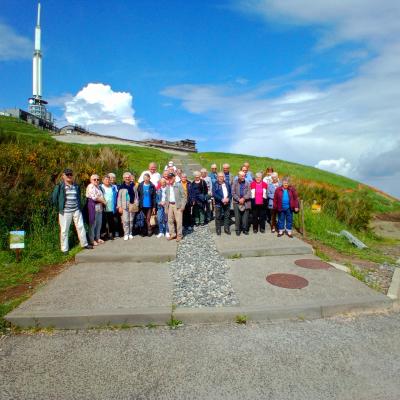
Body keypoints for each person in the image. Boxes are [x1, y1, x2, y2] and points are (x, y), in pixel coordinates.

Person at [52, 168, 93, 254]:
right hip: (65, 211)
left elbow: (78, 197)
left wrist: (79, 207)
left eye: (71, 174)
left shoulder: (76, 186)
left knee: (81, 227)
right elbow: (54, 199)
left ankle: (84, 244)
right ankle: (64, 249)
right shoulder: (59, 186)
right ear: (63, 176)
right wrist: (60, 208)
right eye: (67, 175)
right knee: (64, 230)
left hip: (76, 210)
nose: (69, 176)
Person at [86, 174, 107, 246]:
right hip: (93, 207)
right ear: (91, 180)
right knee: (93, 224)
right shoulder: (90, 186)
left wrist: (101, 200)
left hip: (99, 208)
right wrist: (103, 201)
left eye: (98, 179)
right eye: (94, 179)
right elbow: (94, 197)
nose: (96, 181)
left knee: (99, 223)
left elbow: (101, 196)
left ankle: (97, 238)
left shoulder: (98, 187)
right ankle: (92, 240)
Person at [165, 173, 186, 242]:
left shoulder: (179, 185)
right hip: (170, 205)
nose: (169, 179)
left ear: (174, 178)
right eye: (168, 178)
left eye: (171, 178)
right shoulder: (167, 186)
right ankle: (172, 234)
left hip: (177, 205)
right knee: (170, 220)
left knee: (179, 221)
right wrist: (166, 207)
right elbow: (166, 197)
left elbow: (184, 196)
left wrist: (182, 206)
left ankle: (179, 235)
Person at [117, 172, 138, 240]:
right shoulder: (121, 187)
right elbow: (119, 198)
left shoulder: (133, 186)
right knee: (125, 220)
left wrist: (136, 203)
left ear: (130, 178)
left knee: (131, 220)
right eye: (126, 177)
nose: (127, 178)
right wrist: (119, 206)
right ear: (123, 178)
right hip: (124, 206)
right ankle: (126, 234)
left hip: (132, 205)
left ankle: (130, 233)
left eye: (128, 177)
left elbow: (136, 196)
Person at [232, 171, 251, 235]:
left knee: (245, 217)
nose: (243, 177)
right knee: (237, 217)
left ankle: (245, 229)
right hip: (237, 202)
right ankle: (238, 229)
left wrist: (244, 198)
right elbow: (233, 192)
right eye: (242, 176)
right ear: (238, 176)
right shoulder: (235, 183)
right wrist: (238, 199)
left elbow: (249, 192)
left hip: (246, 202)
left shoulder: (247, 183)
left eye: (244, 176)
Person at [100, 175, 116, 240]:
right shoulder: (100, 187)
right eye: (106, 179)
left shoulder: (113, 187)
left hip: (111, 207)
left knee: (111, 221)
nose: (107, 181)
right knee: (103, 222)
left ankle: (111, 234)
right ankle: (103, 235)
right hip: (103, 207)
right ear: (103, 180)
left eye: (108, 179)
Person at [108, 173, 121, 237]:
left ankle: (116, 231)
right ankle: (110, 232)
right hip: (108, 205)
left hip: (116, 205)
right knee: (109, 219)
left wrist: (119, 204)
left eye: (113, 178)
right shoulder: (105, 186)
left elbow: (120, 196)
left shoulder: (118, 186)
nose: (112, 179)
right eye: (110, 178)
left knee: (116, 219)